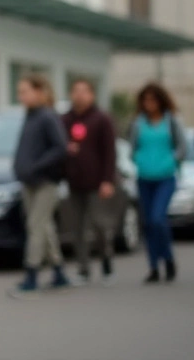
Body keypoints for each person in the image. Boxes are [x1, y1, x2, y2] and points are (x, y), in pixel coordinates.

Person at [9, 73, 70, 295]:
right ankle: (59, 272)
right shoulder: (30, 116)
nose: (21, 96)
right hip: (29, 182)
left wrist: (36, 166)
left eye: (24, 91)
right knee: (45, 227)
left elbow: (60, 148)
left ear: (38, 91)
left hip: (45, 182)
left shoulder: (47, 116)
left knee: (35, 225)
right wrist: (20, 167)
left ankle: (32, 275)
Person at [61, 78, 118, 285]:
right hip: (74, 183)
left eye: (84, 91)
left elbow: (110, 152)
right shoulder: (65, 119)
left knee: (99, 225)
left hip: (97, 184)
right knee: (77, 228)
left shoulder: (101, 119)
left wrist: (108, 180)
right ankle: (83, 269)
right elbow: (59, 147)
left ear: (92, 95)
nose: (80, 95)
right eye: (76, 91)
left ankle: (106, 260)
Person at [130, 82, 187, 284]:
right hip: (145, 178)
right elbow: (133, 148)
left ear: (160, 100)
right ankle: (154, 265)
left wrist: (172, 160)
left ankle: (168, 258)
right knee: (148, 224)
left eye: (153, 99)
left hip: (165, 177)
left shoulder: (171, 121)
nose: (149, 103)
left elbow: (182, 147)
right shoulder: (138, 123)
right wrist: (139, 160)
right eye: (145, 100)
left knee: (157, 218)